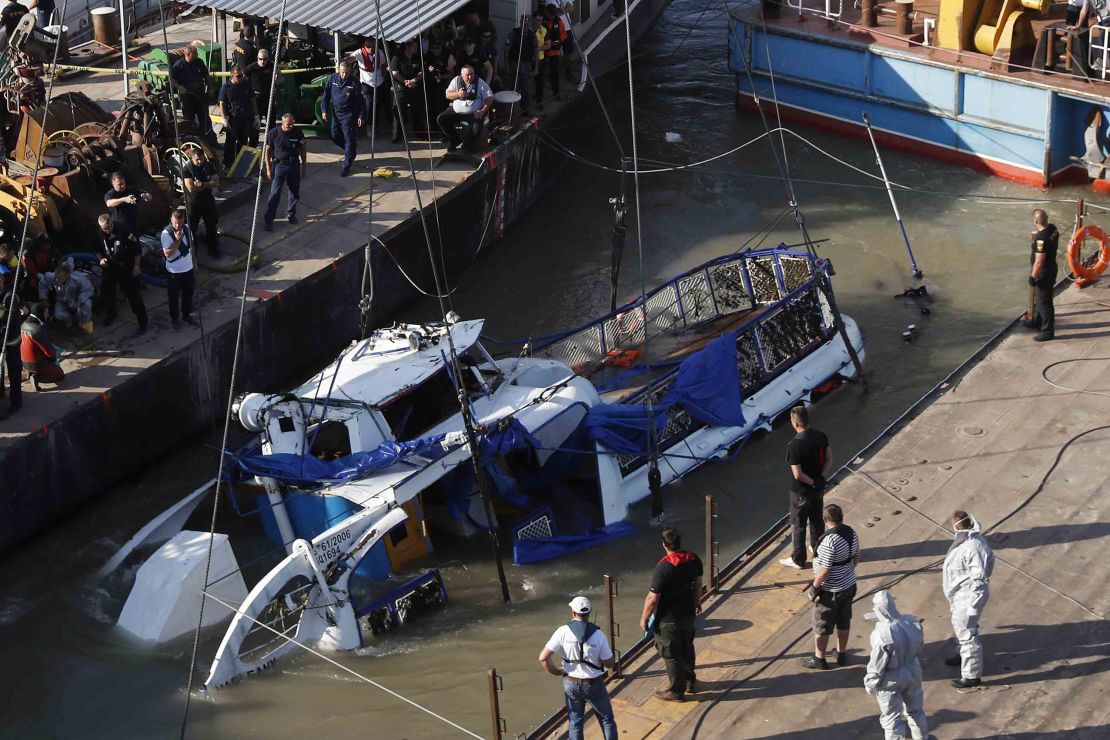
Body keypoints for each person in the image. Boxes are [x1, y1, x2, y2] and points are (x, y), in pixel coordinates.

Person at [538, 596, 618, 740]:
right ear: (589, 613)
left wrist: (556, 671)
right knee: (606, 720)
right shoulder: (599, 635)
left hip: (571, 682)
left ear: (573, 613)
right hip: (593, 684)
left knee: (575, 722)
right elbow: (609, 663)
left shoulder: (562, 632)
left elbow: (543, 657)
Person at [639, 526, 702, 702]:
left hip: (668, 619)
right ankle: (690, 682)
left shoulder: (664, 567)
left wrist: (644, 618)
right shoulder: (694, 559)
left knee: (672, 654)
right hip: (688, 614)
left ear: (664, 545)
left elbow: (652, 598)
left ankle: (676, 691)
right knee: (687, 647)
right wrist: (697, 602)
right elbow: (698, 583)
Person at [801, 503, 860, 670]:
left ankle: (819, 659)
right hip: (849, 585)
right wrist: (845, 572)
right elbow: (856, 558)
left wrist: (814, 587)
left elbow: (824, 571)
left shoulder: (829, 541)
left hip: (831, 591)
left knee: (822, 625)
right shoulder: (851, 533)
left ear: (824, 519)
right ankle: (841, 654)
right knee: (843, 620)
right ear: (841, 518)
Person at [864, 591, 928, 740]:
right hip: (913, 669)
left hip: (891, 678)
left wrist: (871, 683)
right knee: (916, 711)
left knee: (891, 719)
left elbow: (877, 664)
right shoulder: (912, 622)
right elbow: (920, 646)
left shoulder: (881, 634)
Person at [942, 510, 994, 689]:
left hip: (968, 596)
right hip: (959, 595)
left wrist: (973, 603)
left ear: (956, 525)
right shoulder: (965, 540)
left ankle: (971, 675)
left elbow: (979, 578)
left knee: (967, 633)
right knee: (961, 627)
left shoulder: (973, 546)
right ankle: (962, 654)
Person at [780, 404, 832, 569]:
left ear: (795, 424)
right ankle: (818, 550)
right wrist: (821, 478)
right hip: (818, 488)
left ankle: (798, 559)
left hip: (801, 492)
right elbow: (830, 458)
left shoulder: (794, 445)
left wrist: (811, 482)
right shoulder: (821, 436)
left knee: (798, 524)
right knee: (817, 520)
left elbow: (797, 474)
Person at [96, 214, 147, 336]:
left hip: (126, 267)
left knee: (133, 295)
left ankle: (143, 322)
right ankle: (111, 314)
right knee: (108, 292)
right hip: (110, 267)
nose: (107, 230)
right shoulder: (100, 233)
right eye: (104, 228)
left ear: (111, 223)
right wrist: (100, 259)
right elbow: (97, 248)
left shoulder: (124, 230)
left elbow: (137, 249)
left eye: (108, 227)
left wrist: (136, 266)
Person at [263, 113, 307, 230]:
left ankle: (291, 213)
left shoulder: (298, 133)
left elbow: (302, 149)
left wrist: (304, 166)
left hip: (294, 165)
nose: (291, 126)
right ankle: (269, 219)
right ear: (282, 123)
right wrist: (268, 168)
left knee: (294, 191)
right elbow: (267, 151)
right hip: (279, 165)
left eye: (292, 123)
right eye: (288, 125)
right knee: (275, 193)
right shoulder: (273, 133)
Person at [321, 60, 364, 177]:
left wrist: (361, 115)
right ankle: (350, 151)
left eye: (347, 73)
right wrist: (324, 110)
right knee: (334, 136)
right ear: (339, 70)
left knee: (349, 139)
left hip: (348, 115)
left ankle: (346, 165)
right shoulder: (333, 79)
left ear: (350, 72)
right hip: (336, 113)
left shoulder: (354, 83)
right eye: (343, 72)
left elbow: (361, 101)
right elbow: (325, 95)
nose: (344, 75)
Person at [437, 65, 493, 153]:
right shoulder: (456, 80)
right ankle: (454, 139)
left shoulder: (480, 83)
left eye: (472, 74)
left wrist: (482, 111)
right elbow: (448, 95)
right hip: (456, 110)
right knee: (441, 119)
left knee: (476, 129)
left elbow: (489, 97)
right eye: (467, 75)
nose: (470, 77)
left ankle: (467, 144)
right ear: (462, 75)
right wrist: (458, 94)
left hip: (474, 112)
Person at [160, 209, 197, 332]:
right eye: (175, 223)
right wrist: (178, 240)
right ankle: (174, 319)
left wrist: (194, 262)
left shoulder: (186, 228)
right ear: (171, 220)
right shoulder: (166, 234)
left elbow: (191, 246)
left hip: (188, 268)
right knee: (174, 297)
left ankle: (186, 316)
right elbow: (168, 254)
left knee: (188, 293)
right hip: (174, 271)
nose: (178, 226)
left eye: (180, 223)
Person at [1025, 209, 1059, 342]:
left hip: (1043, 272)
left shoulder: (1041, 240)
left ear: (1035, 221)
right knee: (1040, 300)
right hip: (1052, 267)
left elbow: (1039, 260)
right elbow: (1046, 234)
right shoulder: (1052, 228)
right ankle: (1037, 321)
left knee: (1044, 302)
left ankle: (1047, 331)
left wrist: (1032, 277)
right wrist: (1037, 233)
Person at [218, 65, 257, 170]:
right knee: (230, 143)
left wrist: (256, 115)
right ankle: (227, 164)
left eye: (241, 75)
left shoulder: (246, 84)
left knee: (243, 141)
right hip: (233, 120)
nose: (241, 77)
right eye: (238, 76)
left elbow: (252, 100)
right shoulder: (226, 87)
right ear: (232, 76)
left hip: (245, 118)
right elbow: (222, 103)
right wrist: (224, 118)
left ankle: (240, 163)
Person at [183, 148, 221, 258]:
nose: (199, 162)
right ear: (192, 158)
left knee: (211, 224)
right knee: (192, 227)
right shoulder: (187, 169)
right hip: (193, 201)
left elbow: (217, 182)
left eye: (201, 159)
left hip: (207, 198)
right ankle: (193, 253)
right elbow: (190, 187)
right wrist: (208, 184)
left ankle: (213, 250)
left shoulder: (209, 165)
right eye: (197, 160)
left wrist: (203, 184)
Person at [40, 261, 94, 334]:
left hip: (77, 299)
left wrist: (80, 300)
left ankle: (84, 323)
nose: (58, 281)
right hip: (62, 301)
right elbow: (43, 284)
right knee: (58, 314)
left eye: (61, 278)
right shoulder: (51, 276)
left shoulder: (78, 278)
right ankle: (69, 319)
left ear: (67, 275)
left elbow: (89, 289)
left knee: (87, 305)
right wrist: (44, 298)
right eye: (57, 278)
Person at [170, 45, 213, 137]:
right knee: (189, 121)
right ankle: (193, 141)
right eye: (196, 54)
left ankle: (211, 141)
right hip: (187, 99)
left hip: (201, 97)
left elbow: (206, 75)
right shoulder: (178, 65)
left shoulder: (199, 62)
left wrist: (210, 87)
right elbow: (172, 79)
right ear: (189, 55)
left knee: (205, 119)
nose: (197, 55)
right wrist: (179, 87)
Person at [353, 36, 390, 135]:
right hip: (366, 83)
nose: (370, 49)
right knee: (369, 104)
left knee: (385, 101)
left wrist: (384, 76)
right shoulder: (359, 52)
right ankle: (369, 126)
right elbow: (351, 58)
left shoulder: (380, 52)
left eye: (373, 46)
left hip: (379, 82)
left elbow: (383, 65)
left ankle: (385, 124)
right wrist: (342, 60)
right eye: (368, 46)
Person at [20, 301, 63, 387]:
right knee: (60, 374)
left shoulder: (24, 325)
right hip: (37, 364)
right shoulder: (37, 330)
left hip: (25, 362)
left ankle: (31, 372)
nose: (47, 314)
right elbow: (49, 352)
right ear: (41, 313)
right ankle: (38, 377)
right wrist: (53, 359)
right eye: (46, 312)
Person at [390, 39, 424, 145]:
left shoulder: (417, 57)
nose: (416, 49)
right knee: (399, 112)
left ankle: (419, 133)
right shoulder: (397, 58)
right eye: (414, 46)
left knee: (417, 111)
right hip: (400, 87)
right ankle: (397, 135)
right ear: (408, 47)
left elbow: (422, 72)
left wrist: (414, 80)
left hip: (414, 86)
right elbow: (394, 73)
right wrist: (405, 81)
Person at [103, 171, 153, 237]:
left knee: (135, 244)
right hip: (120, 230)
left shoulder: (130, 190)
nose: (123, 186)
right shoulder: (110, 194)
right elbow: (109, 203)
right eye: (119, 184)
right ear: (113, 184)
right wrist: (124, 199)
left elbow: (146, 194)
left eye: (124, 183)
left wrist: (146, 196)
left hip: (133, 227)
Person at [245, 48, 280, 140]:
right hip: (257, 99)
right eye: (260, 59)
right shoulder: (252, 67)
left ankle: (271, 142)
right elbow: (243, 77)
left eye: (265, 59)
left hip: (269, 97)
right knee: (256, 122)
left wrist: (276, 84)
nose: (262, 61)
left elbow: (279, 74)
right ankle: (254, 143)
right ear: (257, 58)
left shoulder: (272, 65)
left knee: (271, 121)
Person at [0, 288, 23, 417]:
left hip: (11, 340)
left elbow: (8, 320)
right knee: (0, 367)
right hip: (2, 339)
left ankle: (16, 401)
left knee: (14, 370)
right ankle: (1, 391)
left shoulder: (10, 297)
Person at [542, 4, 568, 101]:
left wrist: (555, 43)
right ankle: (538, 96)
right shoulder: (542, 20)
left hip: (554, 51)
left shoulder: (558, 21)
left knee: (555, 73)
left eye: (554, 14)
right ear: (546, 12)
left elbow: (564, 35)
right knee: (540, 74)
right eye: (551, 14)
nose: (552, 16)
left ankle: (556, 93)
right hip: (543, 52)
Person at [532, 13, 550, 110]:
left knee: (540, 82)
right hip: (528, 60)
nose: (538, 22)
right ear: (533, 19)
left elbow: (548, 45)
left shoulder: (544, 30)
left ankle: (539, 101)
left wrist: (539, 49)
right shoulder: (528, 29)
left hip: (540, 59)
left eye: (540, 20)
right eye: (537, 19)